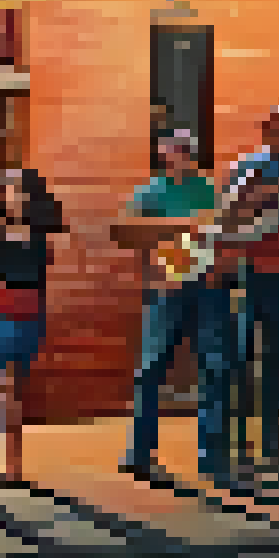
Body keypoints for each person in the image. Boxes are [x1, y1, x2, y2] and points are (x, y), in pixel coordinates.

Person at [116, 131, 234, 482]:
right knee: (150, 370)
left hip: (207, 289)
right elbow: (125, 230)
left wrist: (217, 267)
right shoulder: (151, 190)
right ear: (164, 154)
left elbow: (225, 234)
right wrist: (173, 235)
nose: (179, 155)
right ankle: (139, 452)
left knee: (214, 368)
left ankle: (211, 455)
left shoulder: (210, 191)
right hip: (165, 289)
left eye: (186, 150)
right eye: (173, 149)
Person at [221, 108, 279, 480]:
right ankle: (239, 448)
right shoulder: (246, 167)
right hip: (247, 272)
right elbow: (230, 212)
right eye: (275, 129)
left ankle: (274, 449)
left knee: (275, 361)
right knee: (241, 360)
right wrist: (269, 203)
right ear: (265, 131)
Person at [0, 168, 63, 504]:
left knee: (15, 389)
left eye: (17, 190)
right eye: (8, 191)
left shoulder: (41, 232)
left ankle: (14, 465)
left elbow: (42, 271)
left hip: (32, 314)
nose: (11, 196)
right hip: (0, 313)